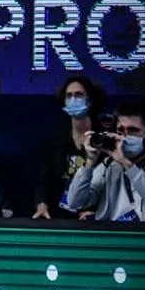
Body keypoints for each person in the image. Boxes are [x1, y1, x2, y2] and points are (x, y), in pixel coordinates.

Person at [33, 76, 105, 220]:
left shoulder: (102, 138)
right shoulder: (56, 139)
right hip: (59, 217)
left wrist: (98, 212)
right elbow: (44, 180)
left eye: (78, 95)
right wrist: (41, 204)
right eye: (69, 95)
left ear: (89, 100)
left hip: (90, 218)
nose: (73, 99)